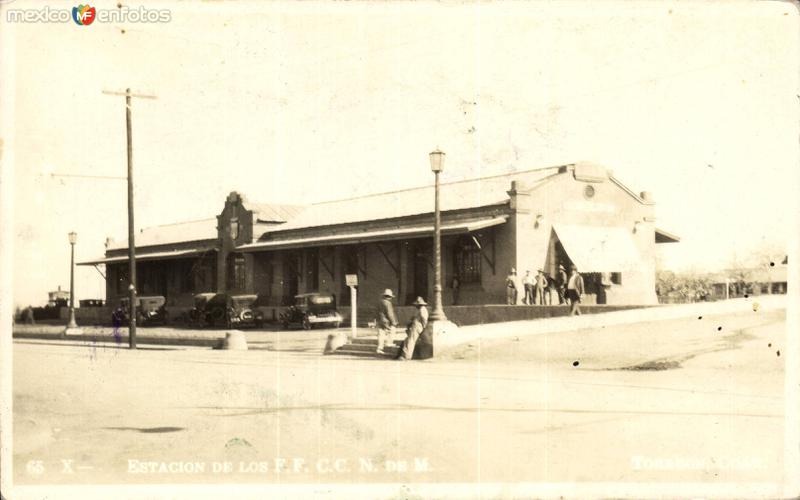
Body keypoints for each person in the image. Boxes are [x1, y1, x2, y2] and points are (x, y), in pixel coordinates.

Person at [376, 288, 398, 355]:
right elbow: (390, 313)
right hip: (387, 321)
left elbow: (376, 312)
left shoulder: (380, 302)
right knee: (392, 330)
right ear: (389, 297)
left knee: (381, 334)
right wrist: (394, 322)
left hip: (380, 320)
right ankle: (389, 343)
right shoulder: (388, 303)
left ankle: (379, 348)